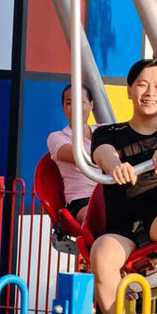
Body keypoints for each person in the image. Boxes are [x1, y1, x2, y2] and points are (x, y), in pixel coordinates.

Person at [90, 59, 157, 314]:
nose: (150, 92)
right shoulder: (108, 133)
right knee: (101, 253)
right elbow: (103, 153)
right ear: (129, 90)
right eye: (142, 85)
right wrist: (115, 165)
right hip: (124, 224)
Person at [47, 84, 97, 224]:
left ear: (91, 105)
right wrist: (109, 155)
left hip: (111, 196)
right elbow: (78, 156)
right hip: (82, 201)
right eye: (69, 103)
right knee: (98, 219)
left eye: (81, 102)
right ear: (63, 107)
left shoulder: (102, 131)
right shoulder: (57, 137)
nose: (75, 107)